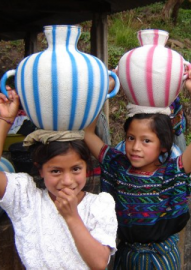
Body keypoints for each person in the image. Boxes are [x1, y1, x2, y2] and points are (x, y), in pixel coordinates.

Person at [84, 68, 191, 269]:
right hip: (126, 257)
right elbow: (88, 133)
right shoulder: (117, 165)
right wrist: (106, 89)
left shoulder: (173, 172)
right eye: (131, 138)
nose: (135, 147)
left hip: (161, 259)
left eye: (146, 141)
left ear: (164, 145)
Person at [0, 90, 118, 269]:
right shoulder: (27, 199)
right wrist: (5, 121)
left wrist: (71, 216)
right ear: (40, 170)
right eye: (56, 171)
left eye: (76, 169)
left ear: (86, 167)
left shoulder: (100, 205)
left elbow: (99, 263)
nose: (67, 180)